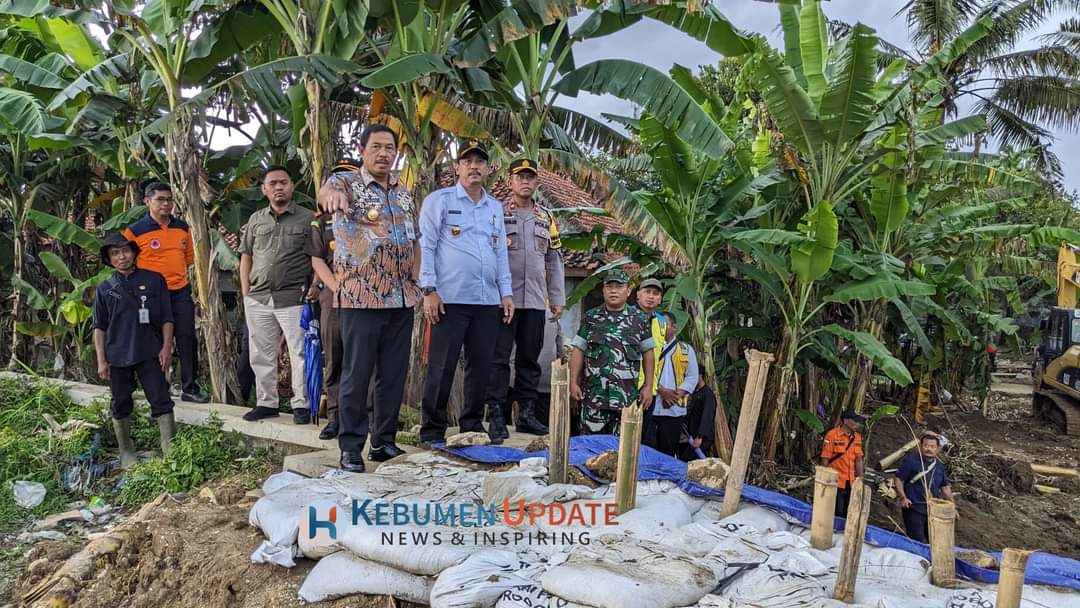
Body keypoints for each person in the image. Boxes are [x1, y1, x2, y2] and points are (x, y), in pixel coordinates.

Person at [315, 127, 420, 472]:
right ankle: (350, 447)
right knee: (356, 376)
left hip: (401, 299)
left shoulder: (404, 193)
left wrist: (416, 279)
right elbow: (327, 190)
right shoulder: (347, 183)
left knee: (392, 375)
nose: (383, 154)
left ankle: (384, 442)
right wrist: (329, 194)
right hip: (360, 298)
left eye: (390, 148)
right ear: (362, 150)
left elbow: (414, 240)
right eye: (376, 147)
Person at [417, 138, 515, 447]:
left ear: (487, 168)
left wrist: (506, 292)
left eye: (480, 162)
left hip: (486, 300)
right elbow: (427, 246)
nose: (474, 166)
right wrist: (429, 289)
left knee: (481, 366)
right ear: (458, 167)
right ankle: (432, 430)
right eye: (467, 161)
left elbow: (500, 253)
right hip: (449, 299)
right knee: (442, 366)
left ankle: (471, 424)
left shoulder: (495, 208)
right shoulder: (440, 200)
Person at [485, 157, 565, 443]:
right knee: (498, 359)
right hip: (501, 300)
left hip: (534, 300)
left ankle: (527, 414)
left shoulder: (546, 217)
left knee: (530, 358)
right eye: (520, 177)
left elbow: (554, 260)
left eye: (530, 177)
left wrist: (557, 297)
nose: (525, 182)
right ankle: (496, 414)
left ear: (537, 182)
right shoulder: (495, 213)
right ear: (510, 182)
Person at [92, 233, 176, 469]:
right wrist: (101, 360)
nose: (121, 257)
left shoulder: (154, 280)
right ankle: (126, 452)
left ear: (134, 253)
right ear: (109, 259)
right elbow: (99, 327)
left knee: (161, 399)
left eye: (125, 251)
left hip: (150, 351)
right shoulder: (105, 288)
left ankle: (171, 451)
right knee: (120, 403)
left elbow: (167, 318)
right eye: (115, 253)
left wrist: (166, 346)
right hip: (117, 356)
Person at [239, 165, 313, 424]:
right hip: (258, 298)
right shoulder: (256, 220)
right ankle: (266, 402)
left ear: (292, 186)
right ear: (264, 189)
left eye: (283, 182)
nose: (278, 187)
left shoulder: (307, 218)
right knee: (260, 352)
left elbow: (316, 257)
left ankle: (301, 404)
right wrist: (246, 293)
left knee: (298, 351)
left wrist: (313, 290)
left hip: (292, 296)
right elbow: (246, 256)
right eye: (273, 184)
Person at [123, 182, 209, 403]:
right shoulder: (135, 231)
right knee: (152, 340)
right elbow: (127, 263)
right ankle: (157, 387)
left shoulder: (182, 227)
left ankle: (190, 387)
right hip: (149, 296)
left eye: (169, 199)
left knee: (187, 337)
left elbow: (189, 258)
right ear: (147, 202)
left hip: (179, 291)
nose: (166, 204)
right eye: (160, 199)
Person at [305, 159, 360, 441]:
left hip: (366, 294)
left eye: (349, 177)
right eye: (338, 177)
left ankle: (367, 416)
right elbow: (317, 258)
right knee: (334, 355)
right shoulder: (321, 219)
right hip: (334, 293)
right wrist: (335, 285)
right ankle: (335, 416)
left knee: (365, 359)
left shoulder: (368, 214)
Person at [569, 269, 656, 435]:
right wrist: (573, 382)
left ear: (628, 291)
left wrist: (648, 386)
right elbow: (578, 349)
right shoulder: (591, 317)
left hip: (626, 400)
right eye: (609, 287)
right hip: (594, 398)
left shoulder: (640, 319)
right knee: (590, 450)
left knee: (624, 451)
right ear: (603, 290)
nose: (614, 290)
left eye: (619, 286)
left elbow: (648, 354)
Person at [649, 312, 698, 456]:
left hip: (674, 411)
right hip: (650, 407)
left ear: (674, 327)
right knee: (647, 449)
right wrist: (662, 391)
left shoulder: (686, 350)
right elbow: (643, 373)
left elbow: (692, 377)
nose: (661, 328)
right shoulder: (650, 347)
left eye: (664, 324)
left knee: (668, 451)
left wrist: (676, 395)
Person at [894, 433, 955, 543]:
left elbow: (945, 487)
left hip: (933, 510)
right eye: (926, 446)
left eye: (932, 447)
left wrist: (952, 506)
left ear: (937, 449)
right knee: (916, 539)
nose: (929, 449)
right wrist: (903, 497)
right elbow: (899, 479)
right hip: (913, 508)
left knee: (935, 541)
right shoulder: (911, 462)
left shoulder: (939, 466)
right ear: (920, 447)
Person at [635, 278, 666, 445]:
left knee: (643, 436)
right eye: (647, 292)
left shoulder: (661, 321)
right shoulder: (628, 316)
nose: (651, 296)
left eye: (656, 293)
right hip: (629, 386)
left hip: (650, 389)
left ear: (660, 299)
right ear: (638, 294)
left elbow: (658, 356)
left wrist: (651, 386)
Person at [820, 409, 865, 519]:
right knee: (837, 512)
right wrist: (825, 480)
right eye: (855, 421)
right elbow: (825, 459)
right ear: (845, 421)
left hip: (851, 482)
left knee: (848, 512)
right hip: (835, 481)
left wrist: (860, 479)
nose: (857, 424)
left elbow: (858, 460)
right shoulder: (832, 435)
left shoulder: (857, 438)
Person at [680, 376, 716, 461]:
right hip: (691, 436)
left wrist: (700, 436)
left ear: (700, 376)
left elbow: (707, 416)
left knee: (687, 460)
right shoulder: (695, 393)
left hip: (701, 438)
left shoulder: (707, 394)